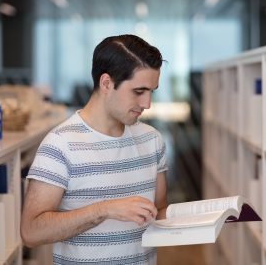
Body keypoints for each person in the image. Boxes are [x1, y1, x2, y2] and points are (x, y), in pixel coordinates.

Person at [21, 34, 168, 265]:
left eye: (152, 91)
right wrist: (104, 209)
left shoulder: (152, 140)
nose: (147, 104)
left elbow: (158, 211)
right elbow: (31, 232)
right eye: (138, 92)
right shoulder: (60, 144)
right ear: (106, 83)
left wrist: (206, 218)